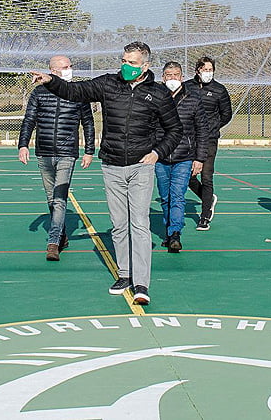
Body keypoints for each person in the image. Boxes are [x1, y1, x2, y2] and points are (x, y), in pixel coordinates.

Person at [30, 42, 183, 305]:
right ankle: (124, 274)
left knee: (140, 225)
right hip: (112, 165)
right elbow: (74, 91)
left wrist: (157, 153)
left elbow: (175, 130)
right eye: (124, 60)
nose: (126, 66)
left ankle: (141, 283)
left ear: (145, 65)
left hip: (141, 166)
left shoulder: (158, 94)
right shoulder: (108, 84)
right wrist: (49, 81)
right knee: (119, 225)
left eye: (132, 62)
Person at [18, 55, 95, 261]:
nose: (69, 69)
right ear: (53, 71)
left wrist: (89, 151)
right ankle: (61, 235)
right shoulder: (39, 93)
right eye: (64, 67)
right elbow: (29, 120)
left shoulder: (79, 93)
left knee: (60, 199)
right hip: (43, 152)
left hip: (67, 153)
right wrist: (23, 145)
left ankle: (53, 243)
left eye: (70, 66)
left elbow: (88, 123)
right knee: (51, 199)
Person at [156, 61, 208, 253]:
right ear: (163, 77)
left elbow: (202, 130)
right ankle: (169, 232)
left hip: (185, 157)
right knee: (165, 197)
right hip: (160, 157)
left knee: (177, 195)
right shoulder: (155, 97)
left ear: (182, 77)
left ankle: (175, 233)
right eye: (168, 75)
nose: (172, 78)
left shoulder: (193, 98)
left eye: (175, 75)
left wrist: (200, 158)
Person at [183, 56, 232, 231]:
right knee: (188, 176)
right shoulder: (187, 86)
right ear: (197, 70)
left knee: (207, 176)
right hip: (189, 139)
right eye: (205, 69)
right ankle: (208, 198)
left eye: (210, 70)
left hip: (209, 139)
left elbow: (226, 114)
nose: (208, 73)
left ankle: (204, 217)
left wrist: (212, 127)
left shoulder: (219, 90)